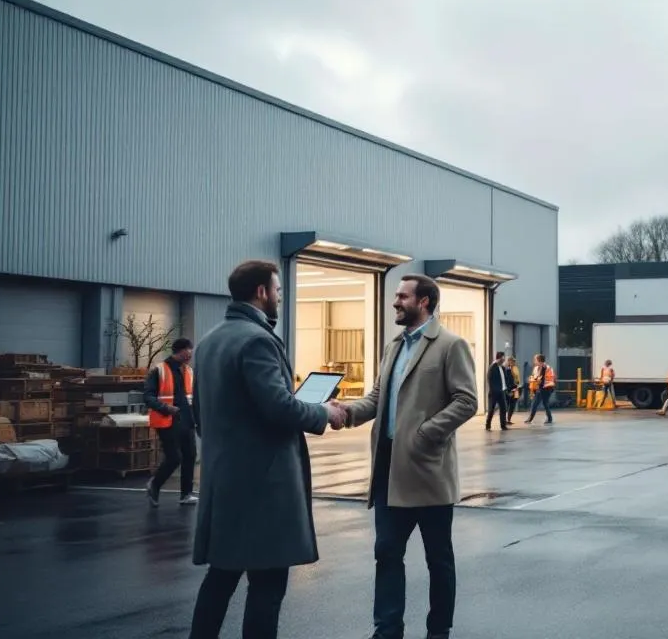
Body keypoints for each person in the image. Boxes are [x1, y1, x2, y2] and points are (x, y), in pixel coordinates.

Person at [188, 259, 347, 639]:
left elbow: (202, 413)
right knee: (268, 583)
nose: (278, 297)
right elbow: (279, 407)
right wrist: (322, 411)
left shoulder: (210, 341)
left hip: (224, 482)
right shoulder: (257, 339)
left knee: (221, 577)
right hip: (262, 487)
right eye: (277, 290)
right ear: (261, 292)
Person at [336, 274, 478, 639]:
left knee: (439, 560)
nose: (395, 302)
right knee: (386, 554)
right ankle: (387, 630)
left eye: (402, 296)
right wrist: (347, 412)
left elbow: (467, 401)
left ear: (425, 301)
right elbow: (377, 398)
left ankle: (438, 631)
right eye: (396, 295)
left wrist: (425, 433)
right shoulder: (393, 347)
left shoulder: (450, 345)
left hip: (428, 472)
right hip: (389, 472)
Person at [144, 337, 199, 507]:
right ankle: (154, 484)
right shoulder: (159, 370)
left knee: (190, 456)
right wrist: (166, 408)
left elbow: (193, 398)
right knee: (174, 458)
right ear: (180, 351)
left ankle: (186, 494)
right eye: (188, 351)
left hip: (187, 421)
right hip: (167, 420)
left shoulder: (189, 371)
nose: (190, 354)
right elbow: (148, 396)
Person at [524, 354, 556, 425]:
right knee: (545, 403)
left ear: (539, 360)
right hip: (539, 388)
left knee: (536, 403)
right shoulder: (536, 368)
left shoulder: (548, 368)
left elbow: (550, 378)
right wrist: (532, 379)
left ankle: (530, 419)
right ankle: (549, 418)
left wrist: (538, 380)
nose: (534, 361)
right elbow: (534, 376)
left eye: (535, 360)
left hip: (547, 388)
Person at [485, 351, 512, 431]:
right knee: (491, 410)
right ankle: (488, 425)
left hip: (502, 392)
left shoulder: (503, 368)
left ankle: (503, 426)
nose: (504, 360)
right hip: (494, 392)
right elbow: (489, 379)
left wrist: (506, 390)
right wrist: (494, 390)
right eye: (503, 358)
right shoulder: (493, 367)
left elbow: (505, 379)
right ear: (499, 358)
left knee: (503, 408)